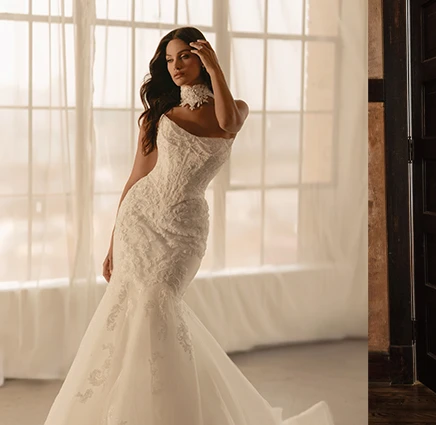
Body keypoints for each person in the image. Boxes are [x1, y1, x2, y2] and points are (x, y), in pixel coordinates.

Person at [43, 27, 333, 425]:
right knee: (133, 309)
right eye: (169, 60)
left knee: (159, 300)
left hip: (184, 229)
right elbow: (136, 178)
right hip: (140, 221)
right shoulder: (158, 115)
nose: (176, 66)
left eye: (185, 56)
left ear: (202, 58)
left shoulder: (235, 108)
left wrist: (216, 70)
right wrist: (112, 241)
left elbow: (228, 123)